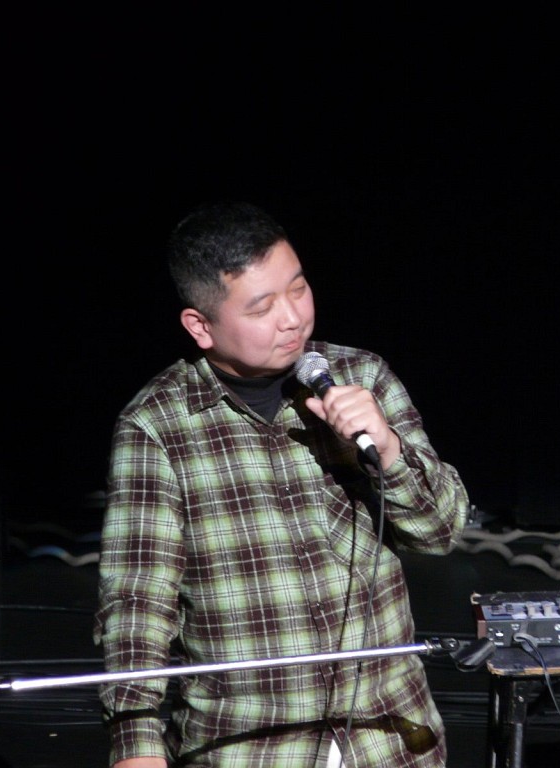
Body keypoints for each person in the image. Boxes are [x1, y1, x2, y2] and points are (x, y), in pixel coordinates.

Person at [94, 201, 470, 767]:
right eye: (262, 306)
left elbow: (442, 532)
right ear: (200, 326)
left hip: (388, 736)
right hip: (252, 744)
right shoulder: (158, 426)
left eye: (298, 289)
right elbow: (137, 601)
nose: (292, 318)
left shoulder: (361, 377)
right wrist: (136, 743)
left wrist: (388, 449)